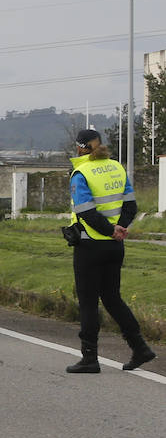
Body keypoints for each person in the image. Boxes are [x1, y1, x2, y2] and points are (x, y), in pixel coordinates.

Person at [63, 128, 157, 374]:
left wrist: (108, 230)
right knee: (112, 298)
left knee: (88, 302)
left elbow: (85, 211)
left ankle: (89, 358)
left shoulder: (81, 172)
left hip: (90, 245)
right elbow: (131, 205)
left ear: (81, 147)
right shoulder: (117, 167)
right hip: (115, 246)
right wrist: (120, 229)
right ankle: (140, 347)